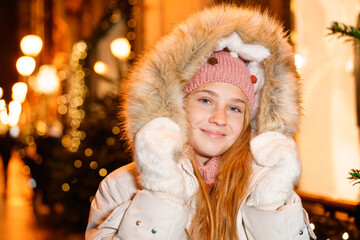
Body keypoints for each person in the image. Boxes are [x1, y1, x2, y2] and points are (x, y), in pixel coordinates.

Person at [85, 4, 317, 240]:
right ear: (177, 104)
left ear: (249, 118)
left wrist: (270, 201)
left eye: (235, 108)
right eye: (205, 100)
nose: (219, 118)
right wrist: (162, 191)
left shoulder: (264, 186)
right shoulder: (122, 186)